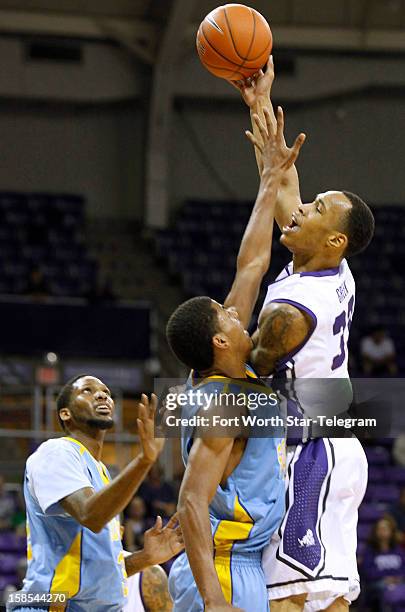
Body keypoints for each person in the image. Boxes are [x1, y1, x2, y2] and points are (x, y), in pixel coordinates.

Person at [231, 57, 375, 611]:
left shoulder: (295, 308)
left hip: (311, 452)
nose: (301, 210)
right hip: (337, 446)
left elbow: (247, 371)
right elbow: (285, 185)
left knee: (289, 599)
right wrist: (260, 102)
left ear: (334, 238)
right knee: (329, 596)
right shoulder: (330, 268)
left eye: (316, 210)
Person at [166, 109, 305, 611]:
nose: (234, 312)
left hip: (241, 564)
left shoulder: (223, 375)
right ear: (220, 343)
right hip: (221, 571)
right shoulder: (224, 402)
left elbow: (251, 264)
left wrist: (269, 180)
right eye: (226, 316)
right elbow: (191, 502)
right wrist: (215, 601)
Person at [13, 375, 183, 611]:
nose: (102, 395)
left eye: (106, 391)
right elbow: (89, 515)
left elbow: (96, 571)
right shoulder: (56, 451)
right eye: (87, 390)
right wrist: (145, 460)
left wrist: (146, 557)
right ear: (65, 413)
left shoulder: (101, 473)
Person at [359, 516, 405, 611]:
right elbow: (368, 572)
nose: (382, 531)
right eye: (380, 528)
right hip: (378, 583)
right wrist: (386, 578)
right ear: (375, 531)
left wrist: (397, 578)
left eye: (385, 528)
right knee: (387, 591)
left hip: (399, 581)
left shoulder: (398, 550)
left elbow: (403, 568)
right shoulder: (369, 551)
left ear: (391, 531)